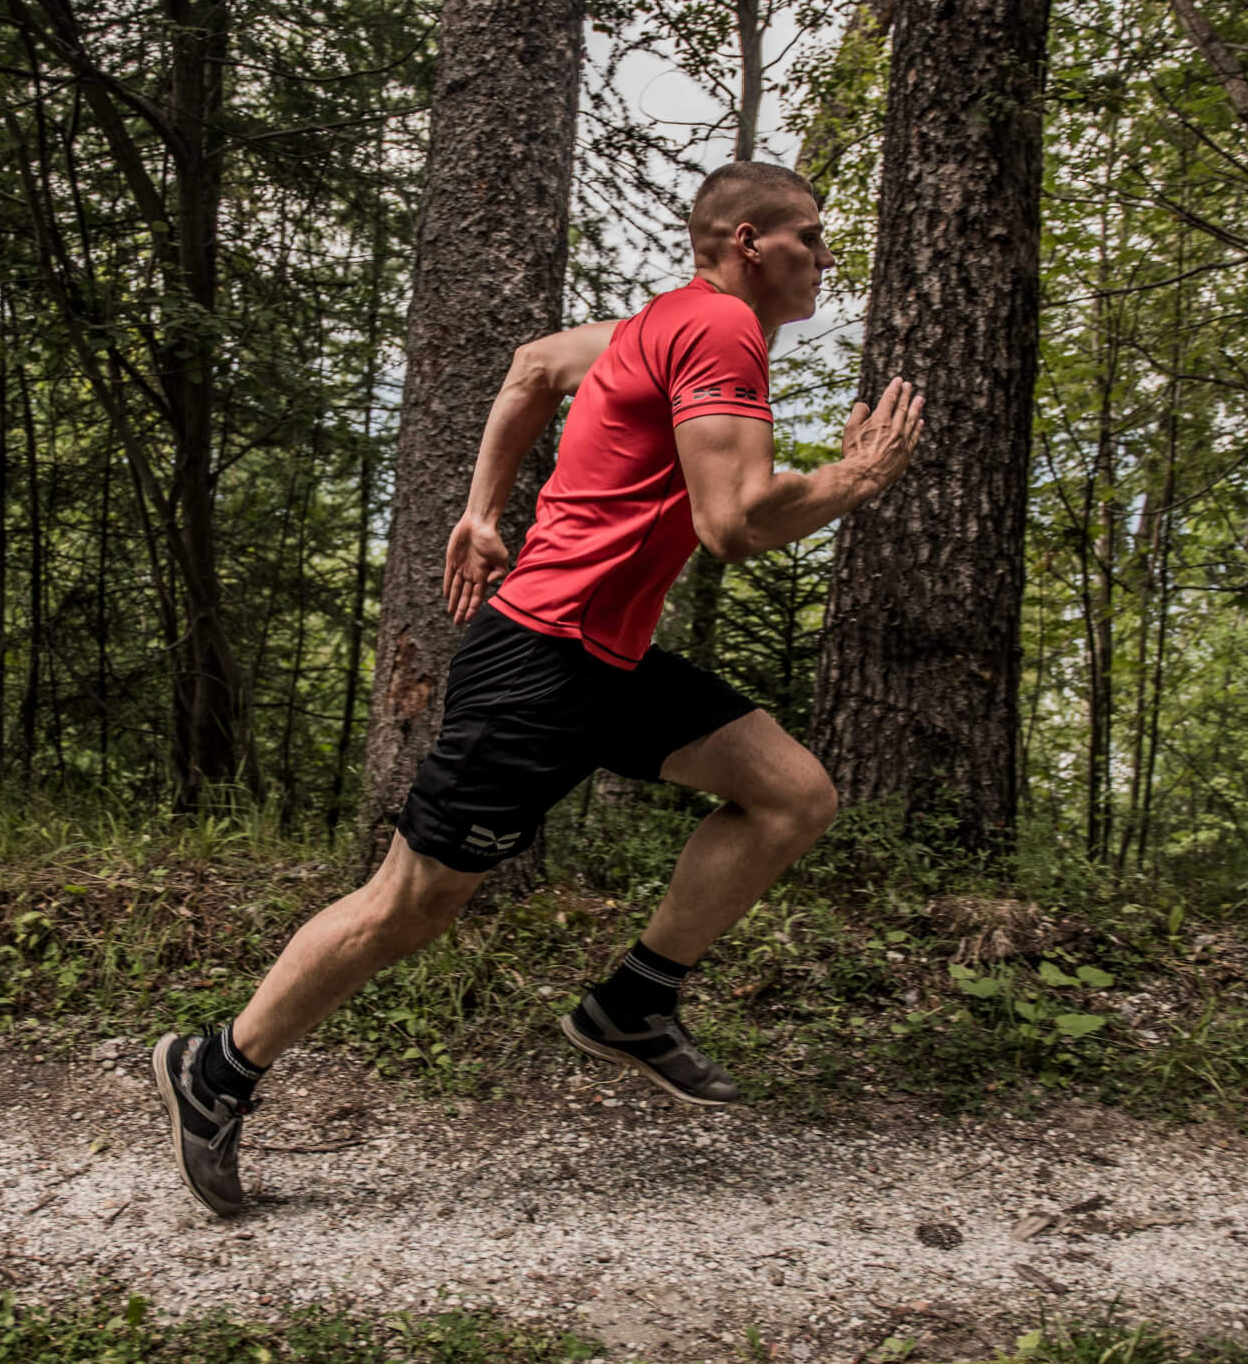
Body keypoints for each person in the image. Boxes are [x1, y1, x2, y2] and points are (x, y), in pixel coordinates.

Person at [154, 161, 924, 1217]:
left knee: (792, 793)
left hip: (604, 660)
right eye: (813, 238)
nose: (828, 258)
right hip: (539, 663)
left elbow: (530, 367)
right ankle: (217, 1070)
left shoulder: (654, 324)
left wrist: (481, 511)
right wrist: (858, 478)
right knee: (408, 907)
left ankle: (633, 1004)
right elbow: (734, 522)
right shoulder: (721, 332)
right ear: (749, 240)